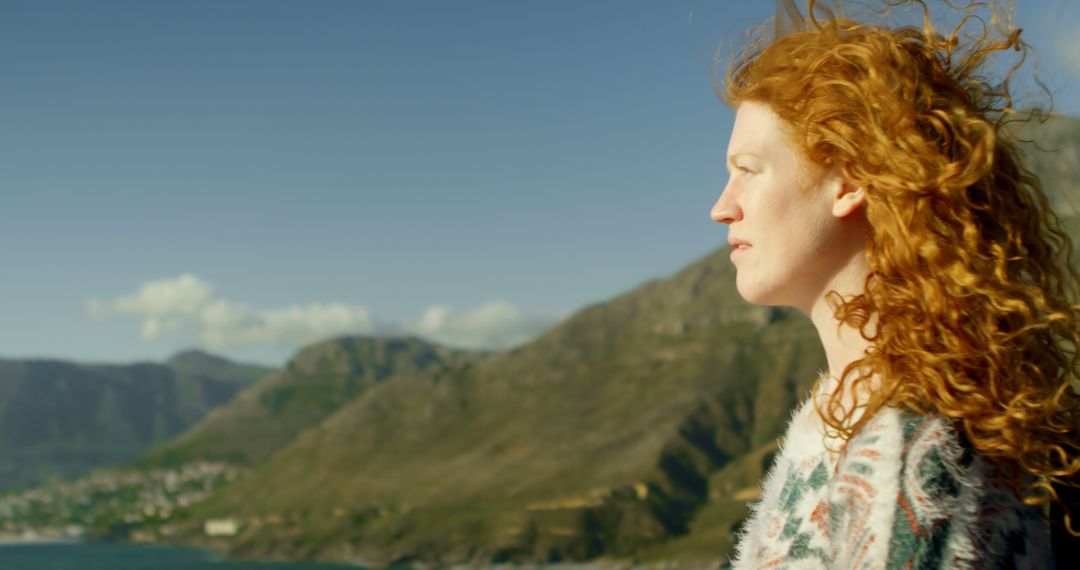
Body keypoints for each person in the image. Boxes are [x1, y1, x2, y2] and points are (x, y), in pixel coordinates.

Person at [709, 0, 1080, 567]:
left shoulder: (914, 451)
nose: (721, 208)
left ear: (849, 179)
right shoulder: (855, 413)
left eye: (749, 170)